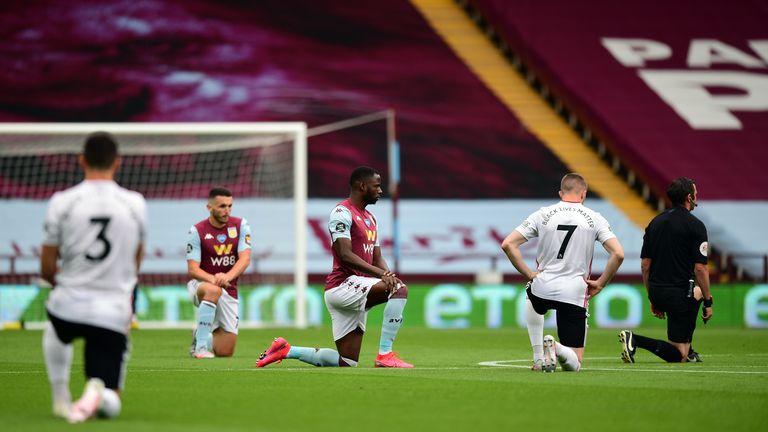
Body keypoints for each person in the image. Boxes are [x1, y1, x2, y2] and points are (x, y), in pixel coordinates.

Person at [256, 166, 412, 368]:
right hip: (343, 285)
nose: (381, 191)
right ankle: (385, 354)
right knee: (399, 290)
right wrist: (384, 276)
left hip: (357, 287)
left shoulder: (370, 219)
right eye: (377, 186)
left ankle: (286, 350)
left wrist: (388, 274)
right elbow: (345, 255)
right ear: (362, 186)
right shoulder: (342, 212)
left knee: (347, 362)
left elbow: (377, 257)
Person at [41, 132, 147, 423]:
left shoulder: (62, 201)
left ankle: (60, 396)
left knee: (55, 327)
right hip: (112, 312)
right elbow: (136, 259)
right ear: (118, 162)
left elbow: (47, 267)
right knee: (112, 402)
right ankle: (98, 389)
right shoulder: (135, 203)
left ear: (82, 160)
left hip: (68, 305)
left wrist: (67, 282)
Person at [501, 173, 624, 372]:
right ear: (583, 194)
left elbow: (508, 244)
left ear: (560, 193)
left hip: (543, 285)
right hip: (574, 292)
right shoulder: (595, 218)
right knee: (574, 364)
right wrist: (601, 283)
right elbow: (618, 254)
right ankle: (556, 347)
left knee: (530, 295)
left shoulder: (542, 214)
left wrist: (529, 274)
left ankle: (538, 357)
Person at [619, 177, 713, 363]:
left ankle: (689, 345)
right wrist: (709, 302)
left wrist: (651, 296)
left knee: (698, 292)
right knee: (679, 356)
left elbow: (645, 265)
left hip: (657, 290)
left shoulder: (655, 222)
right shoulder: (696, 225)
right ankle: (635, 340)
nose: (697, 195)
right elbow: (700, 268)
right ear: (689, 197)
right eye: (695, 193)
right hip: (679, 294)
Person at [186, 187, 252, 358]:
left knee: (225, 352)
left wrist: (227, 277)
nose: (227, 211)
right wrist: (214, 279)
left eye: (230, 206)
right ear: (209, 207)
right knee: (212, 290)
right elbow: (193, 269)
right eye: (222, 206)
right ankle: (200, 348)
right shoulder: (197, 231)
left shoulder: (240, 226)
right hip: (201, 285)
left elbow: (244, 259)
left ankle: (200, 334)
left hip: (228, 288)